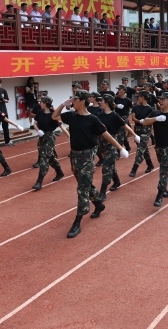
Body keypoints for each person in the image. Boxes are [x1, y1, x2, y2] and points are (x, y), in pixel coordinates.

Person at [52, 90, 128, 238]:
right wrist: (62, 104)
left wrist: (120, 148)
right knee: (85, 184)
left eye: (75, 99)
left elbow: (106, 134)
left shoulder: (93, 119)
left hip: (87, 157)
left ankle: (77, 222)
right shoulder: (72, 116)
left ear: (83, 101)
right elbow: (54, 116)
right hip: (74, 156)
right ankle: (99, 204)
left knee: (82, 189)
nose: (72, 101)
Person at [97, 94, 139, 198]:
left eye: (102, 101)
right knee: (110, 165)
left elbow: (126, 126)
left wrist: (135, 135)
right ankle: (117, 181)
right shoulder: (99, 115)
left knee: (106, 168)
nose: (100, 102)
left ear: (107, 103)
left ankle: (102, 192)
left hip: (111, 145)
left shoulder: (114, 116)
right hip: (101, 145)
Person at [31, 96, 65, 189]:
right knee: (51, 158)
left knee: (44, 158)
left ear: (45, 103)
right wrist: (38, 130)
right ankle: (59, 172)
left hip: (49, 137)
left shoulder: (53, 115)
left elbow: (61, 126)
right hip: (41, 137)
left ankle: (39, 181)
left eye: (41, 102)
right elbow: (34, 124)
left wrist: (69, 136)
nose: (40, 103)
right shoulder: (39, 112)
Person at [129, 90, 156, 177]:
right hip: (137, 130)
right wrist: (140, 121)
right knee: (144, 149)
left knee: (140, 150)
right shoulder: (136, 107)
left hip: (146, 130)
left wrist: (144, 122)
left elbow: (150, 120)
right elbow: (133, 118)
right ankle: (150, 164)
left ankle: (134, 168)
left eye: (139, 97)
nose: (138, 98)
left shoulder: (150, 109)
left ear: (143, 97)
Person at [114, 85, 133, 152]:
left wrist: (129, 113)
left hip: (124, 118)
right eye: (118, 89)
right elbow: (111, 105)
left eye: (120, 89)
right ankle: (127, 146)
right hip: (117, 117)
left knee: (120, 134)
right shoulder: (116, 99)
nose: (118, 91)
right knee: (121, 133)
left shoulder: (128, 100)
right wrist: (116, 106)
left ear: (124, 91)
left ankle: (119, 151)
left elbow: (132, 107)